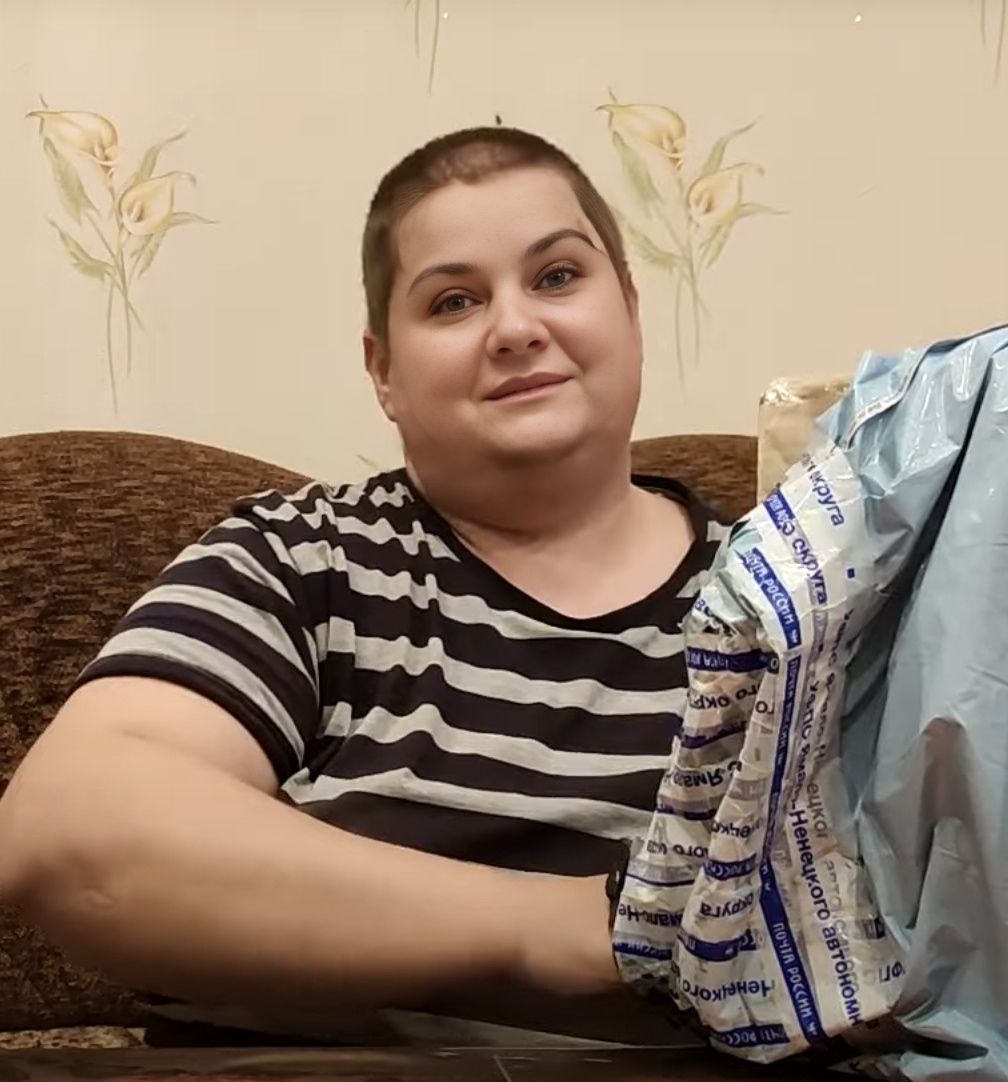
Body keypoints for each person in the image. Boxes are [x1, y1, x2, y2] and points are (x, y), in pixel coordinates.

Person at [0, 126, 728, 1047]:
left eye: (556, 277)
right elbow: (71, 832)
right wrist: (585, 930)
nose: (515, 328)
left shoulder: (783, 596)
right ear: (384, 371)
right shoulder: (302, 559)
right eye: (454, 300)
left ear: (628, 306)